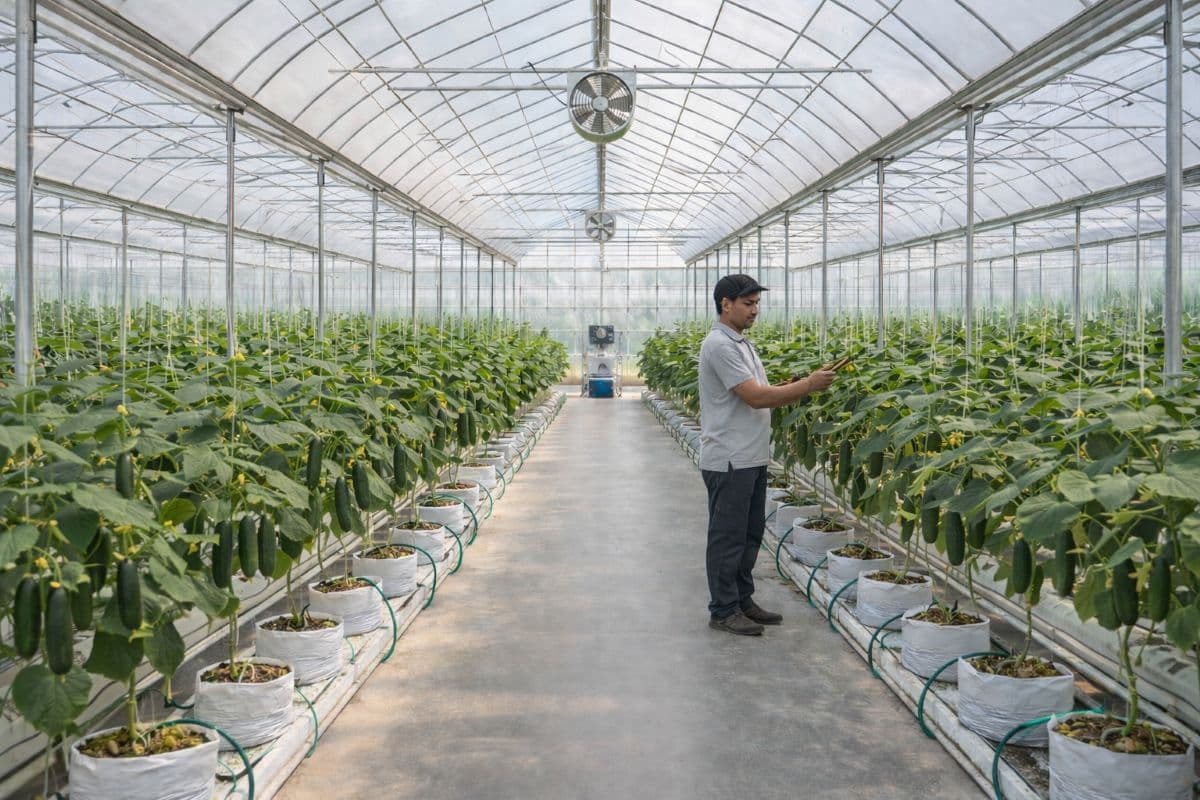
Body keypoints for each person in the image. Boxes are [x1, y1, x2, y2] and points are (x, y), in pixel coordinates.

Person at [699, 274, 836, 636]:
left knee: (748, 535)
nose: (755, 310)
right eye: (748, 304)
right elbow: (755, 397)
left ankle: (742, 600)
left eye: (757, 303)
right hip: (730, 459)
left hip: (750, 456)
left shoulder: (741, 343)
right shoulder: (721, 345)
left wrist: (789, 386)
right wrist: (807, 387)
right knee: (728, 538)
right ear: (725, 304)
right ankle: (723, 609)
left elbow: (758, 390)